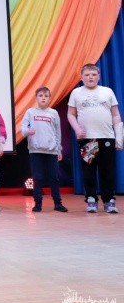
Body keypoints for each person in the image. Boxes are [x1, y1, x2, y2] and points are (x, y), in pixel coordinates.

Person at [67, 64, 122, 213]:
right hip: (88, 139)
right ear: (81, 77)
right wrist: (77, 129)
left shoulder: (107, 91)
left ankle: (109, 200)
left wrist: (119, 137)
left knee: (107, 170)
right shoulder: (76, 93)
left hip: (107, 137)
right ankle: (91, 199)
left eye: (93, 74)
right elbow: (71, 114)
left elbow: (116, 114)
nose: (90, 77)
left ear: (99, 76)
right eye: (87, 75)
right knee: (89, 170)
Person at [21, 87, 68, 212]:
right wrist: (28, 131)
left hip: (51, 151)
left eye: (46, 96)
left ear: (49, 98)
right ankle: (38, 203)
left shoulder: (53, 113)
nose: (43, 98)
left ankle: (57, 203)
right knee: (37, 177)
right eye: (40, 96)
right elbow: (23, 128)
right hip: (35, 150)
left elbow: (57, 132)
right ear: (36, 98)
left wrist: (59, 149)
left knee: (54, 178)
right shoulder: (30, 112)